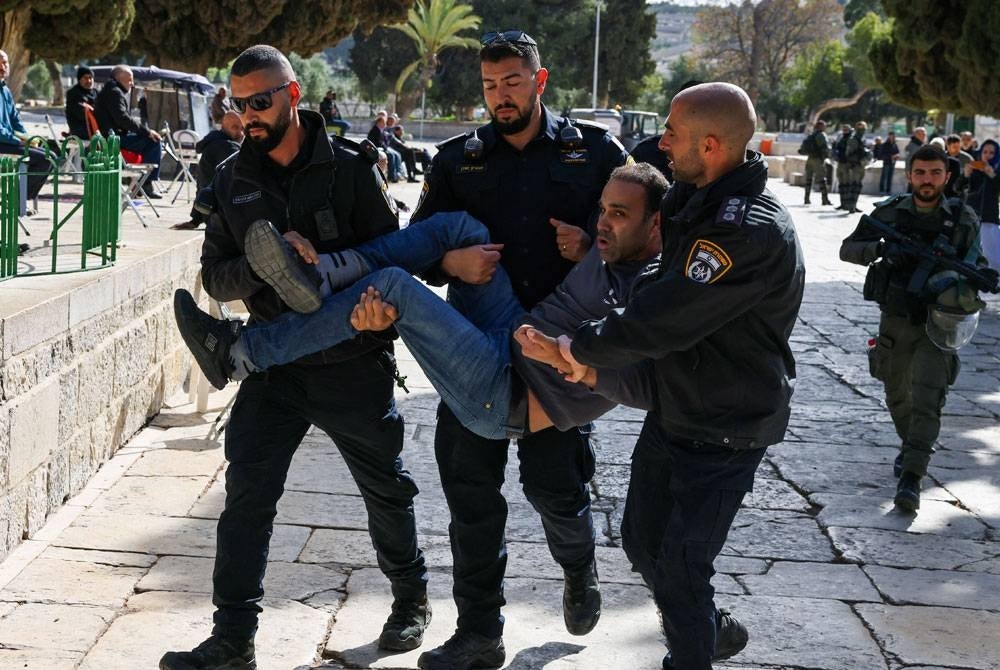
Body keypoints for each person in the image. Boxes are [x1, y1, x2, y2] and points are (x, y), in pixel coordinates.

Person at [159, 44, 429, 670]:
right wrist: (263, 263)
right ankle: (233, 640)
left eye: (260, 101)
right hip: (275, 368)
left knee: (385, 488)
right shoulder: (231, 177)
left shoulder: (353, 169)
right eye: (237, 103)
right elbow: (215, 276)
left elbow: (391, 255)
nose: (248, 114)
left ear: (293, 94)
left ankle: (410, 601)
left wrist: (336, 276)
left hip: (352, 359)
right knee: (247, 496)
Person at [520, 82, 804, 670]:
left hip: (727, 426)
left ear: (710, 144)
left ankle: (691, 649)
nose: (661, 141)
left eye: (672, 132)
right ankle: (708, 628)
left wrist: (582, 346)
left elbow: (664, 314)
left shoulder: (746, 229)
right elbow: (652, 278)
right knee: (641, 544)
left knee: (679, 569)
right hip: (677, 409)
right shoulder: (693, 194)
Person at [408, 29, 629, 670]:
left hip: (559, 353)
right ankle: (480, 633)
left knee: (553, 485)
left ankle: (578, 563)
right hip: (476, 351)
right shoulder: (457, 160)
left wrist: (592, 249)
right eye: (489, 86)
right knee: (470, 492)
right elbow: (421, 250)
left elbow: (641, 245)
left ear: (540, 79)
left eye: (512, 83)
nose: (500, 98)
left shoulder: (594, 153)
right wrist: (450, 261)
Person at [175, 163, 666, 448]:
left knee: (393, 287)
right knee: (462, 230)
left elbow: (638, 378)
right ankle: (325, 270)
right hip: (508, 334)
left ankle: (239, 353)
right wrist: (587, 246)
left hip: (506, 392)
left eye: (619, 214)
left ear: (657, 226)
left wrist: (566, 356)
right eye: (603, 209)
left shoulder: (653, 295)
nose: (603, 222)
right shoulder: (607, 250)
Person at [840, 144, 988, 513]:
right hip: (895, 318)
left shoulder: (962, 218)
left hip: (939, 322)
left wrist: (978, 276)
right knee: (897, 396)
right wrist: (882, 248)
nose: (927, 180)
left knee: (927, 397)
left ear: (946, 176)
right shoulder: (890, 212)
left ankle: (912, 476)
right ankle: (911, 448)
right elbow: (848, 249)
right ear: (910, 175)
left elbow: (977, 261)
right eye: (920, 173)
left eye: (935, 173)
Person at [93, 64, 163, 197]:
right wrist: (147, 131)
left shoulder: (110, 90)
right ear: (118, 78)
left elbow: (122, 119)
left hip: (111, 136)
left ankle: (139, 183)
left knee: (149, 139)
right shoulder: (114, 92)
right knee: (153, 141)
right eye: (129, 80)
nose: (132, 84)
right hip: (113, 139)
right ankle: (145, 184)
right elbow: (122, 119)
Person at [171, 110, 244, 230]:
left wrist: (195, 219)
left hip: (207, 211)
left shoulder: (213, 142)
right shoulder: (227, 147)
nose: (240, 133)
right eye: (235, 127)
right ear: (224, 128)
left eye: (242, 128)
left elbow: (203, 184)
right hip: (221, 216)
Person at [0, 49, 51, 204]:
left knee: (50, 156)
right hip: (4, 142)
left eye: (4, 63)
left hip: (8, 141)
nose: (3, 67)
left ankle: (19, 198)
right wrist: (17, 141)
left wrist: (27, 138)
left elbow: (15, 120)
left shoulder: (5, 90)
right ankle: (17, 200)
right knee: (44, 159)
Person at [966, 138, 1000, 269]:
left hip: (988, 218)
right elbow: (958, 188)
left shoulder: (997, 171)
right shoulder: (974, 170)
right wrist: (965, 176)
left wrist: (992, 175)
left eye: (992, 152)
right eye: (985, 152)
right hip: (970, 216)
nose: (987, 155)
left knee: (994, 258)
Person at [838, 121, 870, 213]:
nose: (862, 130)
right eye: (860, 129)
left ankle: (853, 206)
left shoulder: (862, 139)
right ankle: (851, 207)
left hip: (861, 165)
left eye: (863, 129)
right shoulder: (853, 139)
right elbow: (848, 154)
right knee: (854, 186)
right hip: (855, 166)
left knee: (858, 186)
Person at [798, 119, 831, 205]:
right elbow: (826, 148)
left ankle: (806, 199)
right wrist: (826, 157)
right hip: (818, 160)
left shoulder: (811, 135)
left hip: (810, 159)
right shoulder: (822, 135)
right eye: (824, 126)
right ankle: (825, 200)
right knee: (822, 179)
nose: (825, 127)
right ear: (821, 126)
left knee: (808, 180)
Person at [65, 66, 97, 140]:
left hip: (95, 131)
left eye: (90, 78)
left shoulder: (96, 92)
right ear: (79, 79)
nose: (89, 81)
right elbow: (81, 113)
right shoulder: (73, 93)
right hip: (81, 134)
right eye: (85, 78)